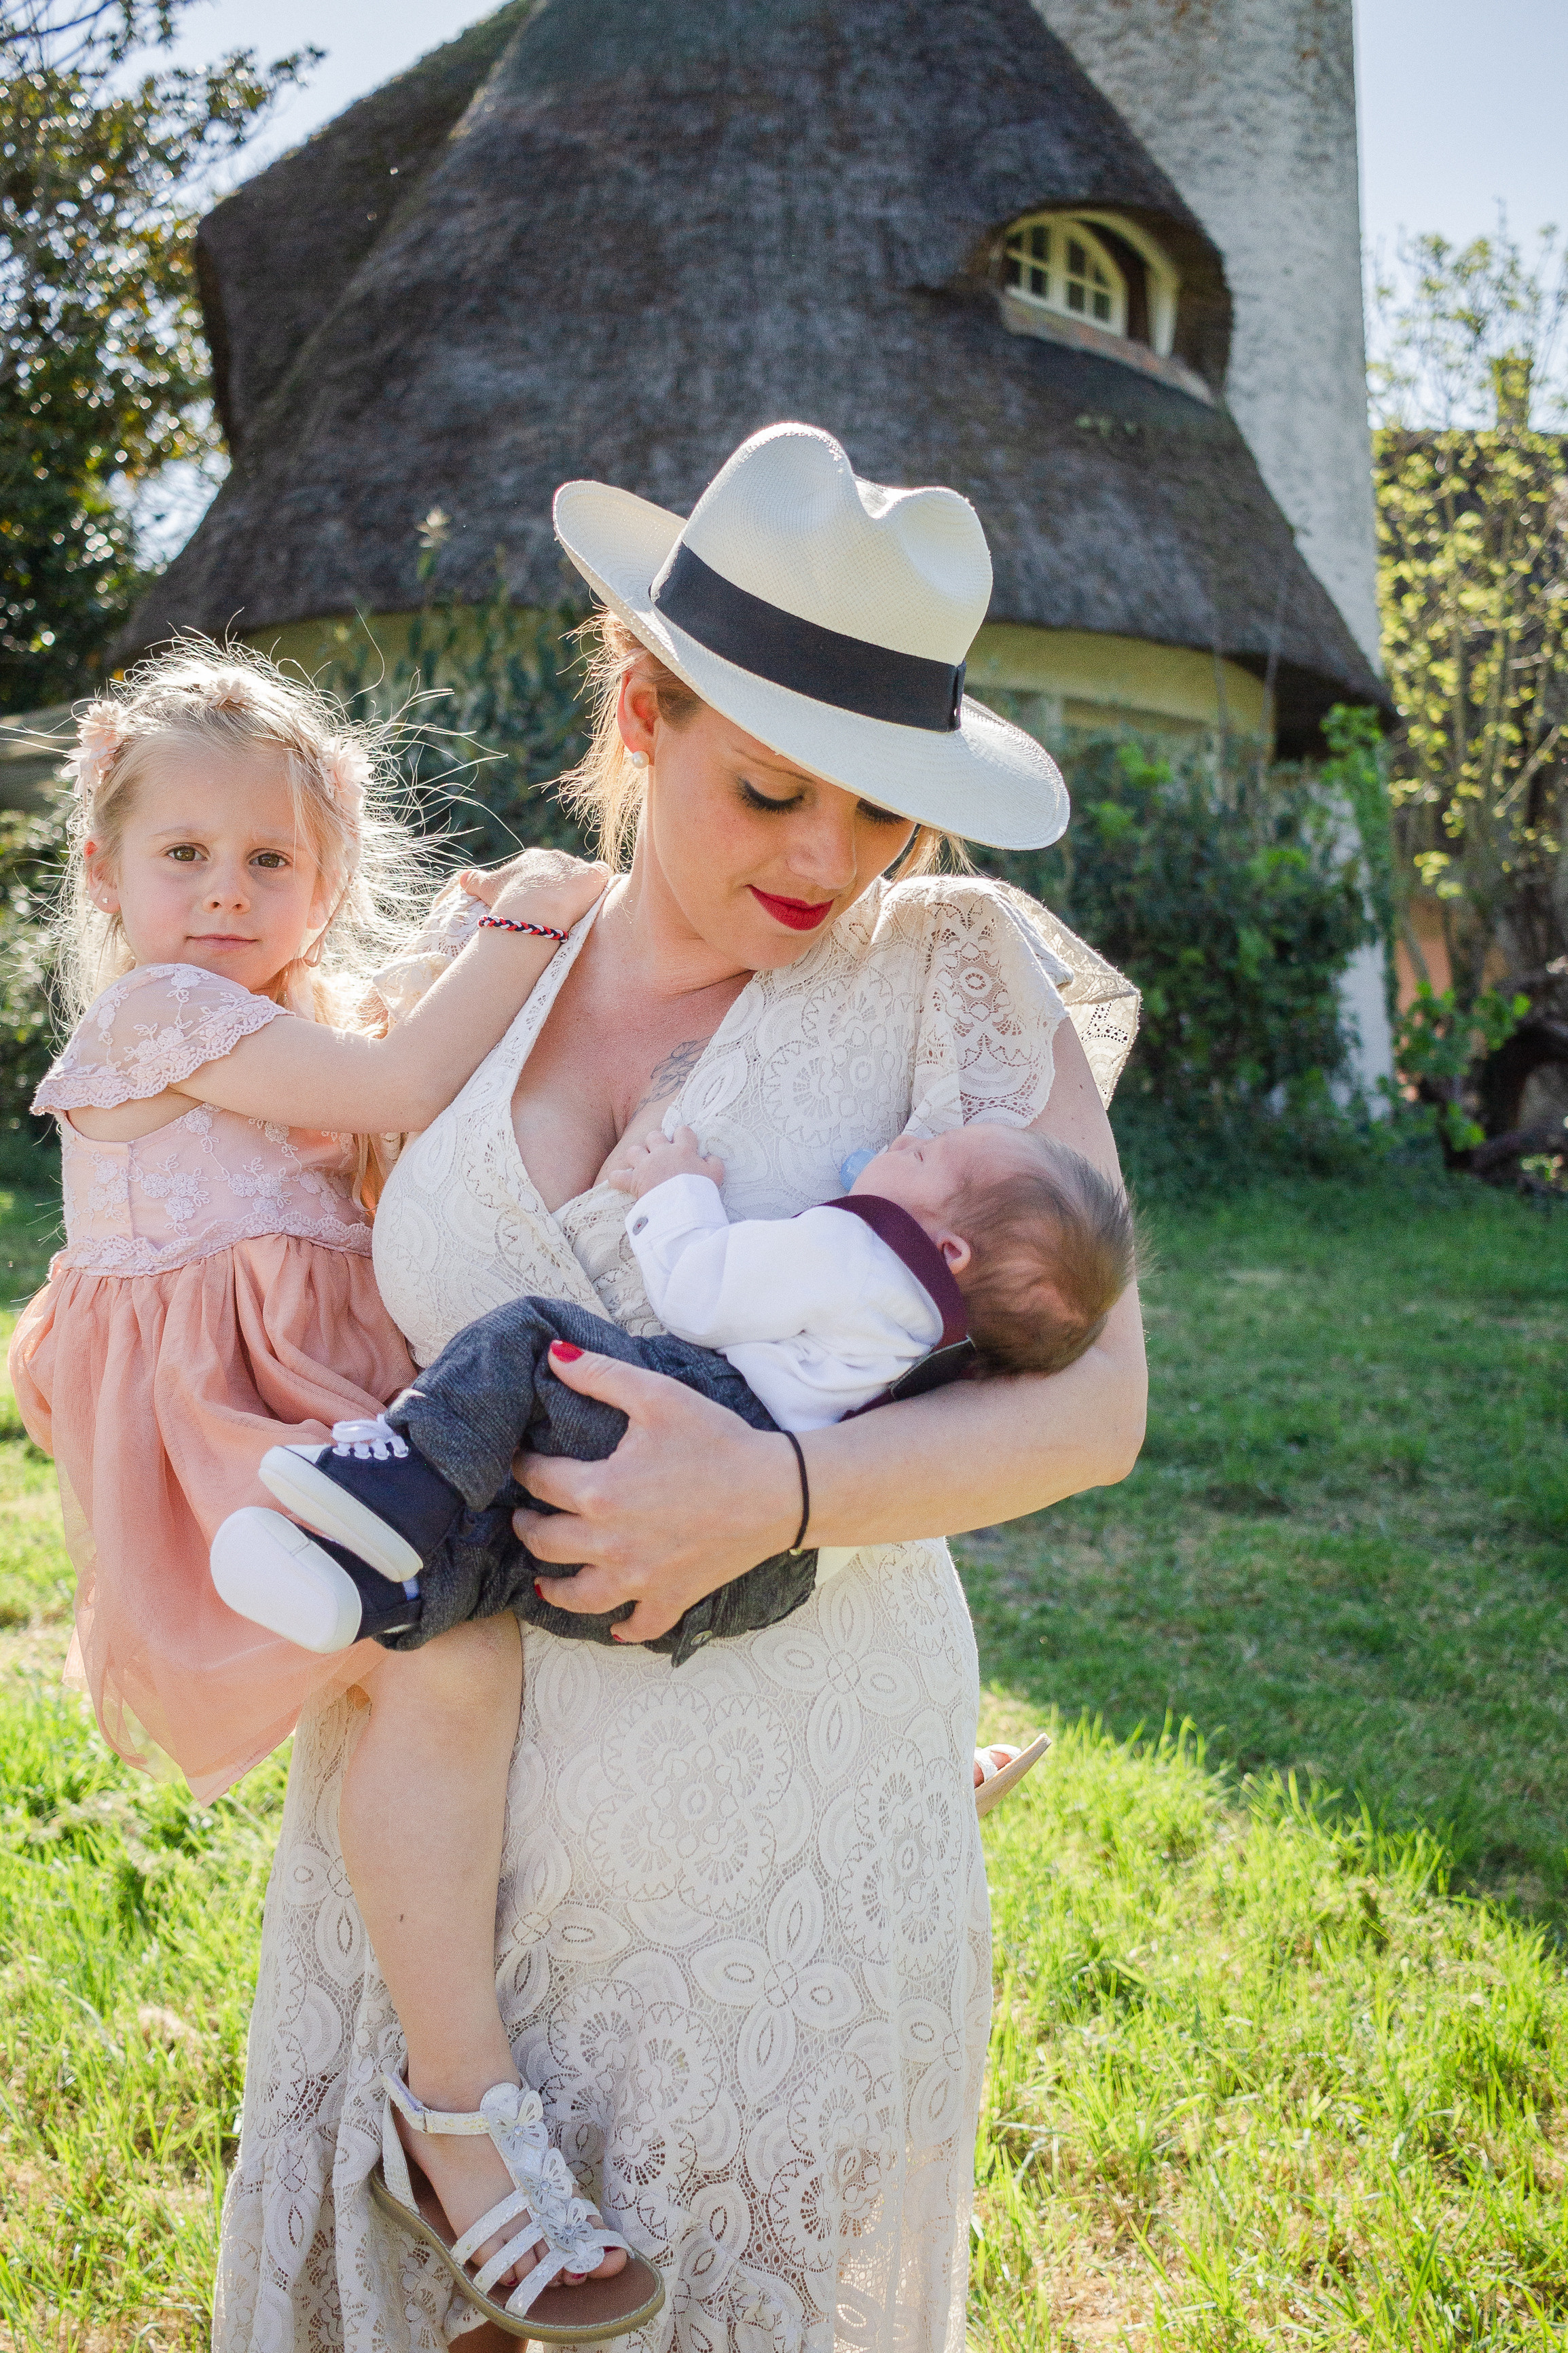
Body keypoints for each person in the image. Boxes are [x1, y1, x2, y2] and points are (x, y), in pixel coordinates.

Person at [215, 421, 1148, 2353]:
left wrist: (772, 1493)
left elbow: (1091, 1414)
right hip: (434, 1846)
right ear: (642, 710)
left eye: (880, 815)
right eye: (772, 791)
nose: (829, 862)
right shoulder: (495, 956)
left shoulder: (955, 977)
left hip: (771, 1842)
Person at [5, 647, 668, 2342]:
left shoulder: (284, 1012)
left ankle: (806, 1770)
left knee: (559, 1562)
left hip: (320, 1391)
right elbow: (395, 1094)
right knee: (440, 1653)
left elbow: (392, 1085)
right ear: (104, 871)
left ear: (326, 875)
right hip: (226, 1424)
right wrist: (526, 921)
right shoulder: (159, 1014)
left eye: (272, 862)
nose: (227, 892)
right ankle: (455, 2115)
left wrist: (465, 958)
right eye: (185, 856)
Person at [208, 1117, 1134, 1663]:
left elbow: (701, 1293)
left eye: (927, 1156)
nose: (905, 1142)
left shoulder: (869, 1260)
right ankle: (375, 1597)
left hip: (704, 1428)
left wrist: (676, 1188)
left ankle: (396, 1484)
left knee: (534, 1340)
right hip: (759, 1576)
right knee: (522, 1552)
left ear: (948, 1250)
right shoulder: (934, 1357)